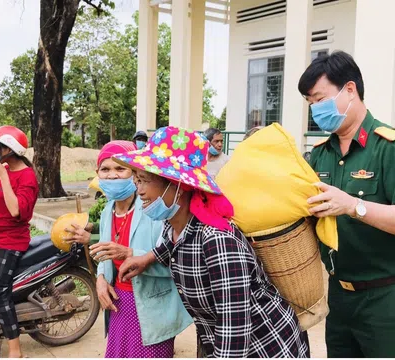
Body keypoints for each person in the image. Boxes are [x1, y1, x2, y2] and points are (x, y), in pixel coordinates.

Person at [114, 126, 309, 358]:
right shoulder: (174, 223)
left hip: (265, 347)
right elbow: (172, 244)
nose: (140, 191)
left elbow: (233, 330)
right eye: (137, 180)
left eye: (145, 180)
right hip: (216, 340)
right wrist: (147, 258)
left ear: (179, 185)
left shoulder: (218, 242)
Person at [299, 50, 395, 358]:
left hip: (385, 300)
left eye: (320, 99)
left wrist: (354, 205)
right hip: (339, 296)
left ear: (350, 89)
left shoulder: (387, 148)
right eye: (311, 103)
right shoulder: (319, 154)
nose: (316, 109)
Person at [64, 140, 192, 358]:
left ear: (134, 174)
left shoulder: (154, 210)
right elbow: (106, 259)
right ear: (97, 174)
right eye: (105, 169)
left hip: (151, 307)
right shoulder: (107, 212)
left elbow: (176, 263)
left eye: (120, 168)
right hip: (118, 304)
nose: (112, 175)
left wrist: (132, 254)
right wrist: (101, 278)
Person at [0, 125, 39, 358]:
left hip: (10, 242)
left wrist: (1, 177)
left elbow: (16, 211)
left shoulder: (26, 176)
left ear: (8, 149)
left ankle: (15, 349)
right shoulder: (3, 170)